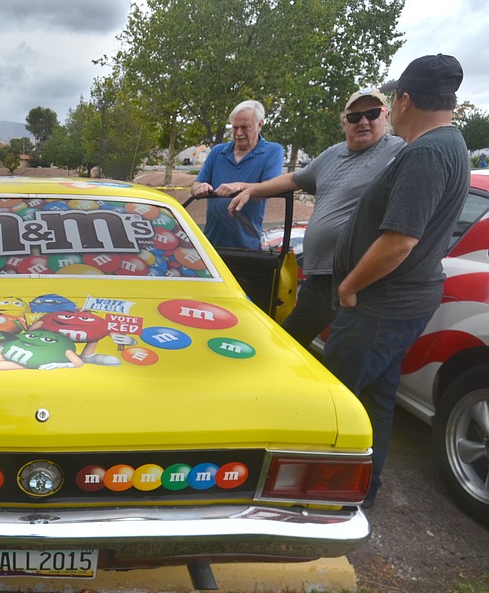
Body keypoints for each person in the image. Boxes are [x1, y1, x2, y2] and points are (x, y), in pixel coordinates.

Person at [324, 54, 469, 507]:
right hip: (398, 304)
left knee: (337, 401)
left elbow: (400, 241)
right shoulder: (452, 144)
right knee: (376, 400)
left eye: (389, 101)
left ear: (403, 101)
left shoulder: (426, 153)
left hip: (379, 306)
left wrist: (348, 286)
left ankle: (327, 496)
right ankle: (364, 490)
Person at [227, 89, 405, 347]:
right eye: (355, 117)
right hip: (322, 277)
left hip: (357, 277)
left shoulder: (400, 153)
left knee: (298, 348)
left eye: (372, 114)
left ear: (385, 116)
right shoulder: (332, 154)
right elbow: (292, 180)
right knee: (295, 344)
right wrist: (251, 189)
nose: (363, 122)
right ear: (344, 121)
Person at [191, 100, 285, 249]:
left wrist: (240, 187)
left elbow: (272, 187)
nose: (239, 133)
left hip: (246, 247)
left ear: (260, 125)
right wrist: (199, 187)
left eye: (245, 127)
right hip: (211, 245)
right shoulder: (217, 152)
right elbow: (196, 185)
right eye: (235, 127)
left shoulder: (273, 151)